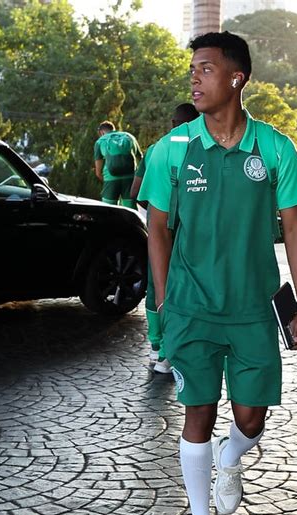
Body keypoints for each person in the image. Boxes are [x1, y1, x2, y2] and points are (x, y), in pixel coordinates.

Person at [138, 31, 297, 515]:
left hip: (252, 308)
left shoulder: (276, 149)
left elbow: (293, 227)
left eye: (206, 69)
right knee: (198, 413)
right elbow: (159, 229)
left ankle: (230, 460)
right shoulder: (173, 148)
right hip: (191, 306)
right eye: (193, 69)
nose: (195, 77)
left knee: (250, 417)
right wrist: (164, 301)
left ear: (236, 78)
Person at [130, 103, 199, 374]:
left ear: (171, 123)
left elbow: (136, 191)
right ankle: (171, 353)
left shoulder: (155, 149)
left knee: (155, 285)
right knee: (181, 289)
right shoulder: (202, 149)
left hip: (159, 233)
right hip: (186, 235)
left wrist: (159, 216)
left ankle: (157, 348)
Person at [94, 121, 143, 209]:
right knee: (130, 209)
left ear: (101, 132)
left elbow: (98, 172)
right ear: (113, 129)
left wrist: (106, 181)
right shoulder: (129, 137)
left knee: (109, 210)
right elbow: (141, 159)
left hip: (110, 180)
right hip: (130, 179)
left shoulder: (100, 141)